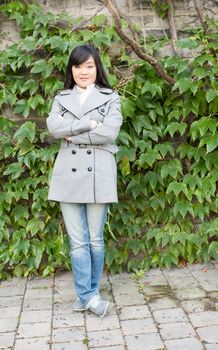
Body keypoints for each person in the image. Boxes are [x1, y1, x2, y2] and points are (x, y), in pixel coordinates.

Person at [46, 44, 122, 317]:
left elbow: (110, 133)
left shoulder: (110, 96)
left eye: (89, 66)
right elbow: (53, 128)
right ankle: (90, 297)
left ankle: (88, 295)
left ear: (97, 68)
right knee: (77, 242)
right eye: (78, 67)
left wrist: (71, 132)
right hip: (67, 174)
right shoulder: (61, 97)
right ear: (72, 70)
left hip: (99, 173)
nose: (84, 72)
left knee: (95, 240)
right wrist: (88, 124)